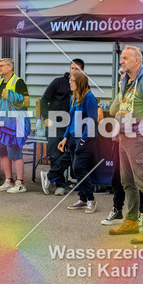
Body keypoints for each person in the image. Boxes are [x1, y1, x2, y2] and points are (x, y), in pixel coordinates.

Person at [108, 45, 143, 244]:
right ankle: (131, 221)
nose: (121, 61)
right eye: (121, 57)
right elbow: (113, 110)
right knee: (127, 182)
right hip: (124, 137)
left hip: (139, 139)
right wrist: (120, 89)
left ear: (137, 60)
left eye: (125, 58)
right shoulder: (127, 82)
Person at [101, 68, 143, 227]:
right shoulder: (121, 95)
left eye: (124, 78)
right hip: (118, 141)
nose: (121, 81)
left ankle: (142, 214)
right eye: (120, 79)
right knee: (117, 177)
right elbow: (113, 111)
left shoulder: (139, 94)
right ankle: (117, 210)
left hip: (135, 142)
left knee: (139, 179)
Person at [56, 70, 99, 213]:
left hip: (85, 140)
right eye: (70, 80)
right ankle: (82, 198)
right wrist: (65, 138)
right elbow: (71, 120)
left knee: (79, 168)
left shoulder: (89, 98)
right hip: (73, 139)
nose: (69, 82)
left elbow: (92, 121)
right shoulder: (73, 98)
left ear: (80, 82)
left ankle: (91, 199)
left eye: (72, 80)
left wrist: (83, 140)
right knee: (76, 170)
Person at [40, 58, 85, 196]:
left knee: (70, 152)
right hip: (55, 122)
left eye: (77, 69)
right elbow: (44, 100)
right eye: (72, 68)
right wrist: (46, 118)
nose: (74, 71)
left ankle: (51, 177)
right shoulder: (58, 82)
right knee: (55, 154)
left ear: (82, 71)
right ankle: (59, 185)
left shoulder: (82, 86)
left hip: (71, 124)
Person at [0, 58, 30, 194]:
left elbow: (26, 102)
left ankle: (20, 183)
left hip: (13, 123)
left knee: (14, 150)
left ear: (10, 67)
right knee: (1, 151)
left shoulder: (18, 82)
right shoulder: (0, 82)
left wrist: (10, 96)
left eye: (1, 66)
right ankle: (9, 180)